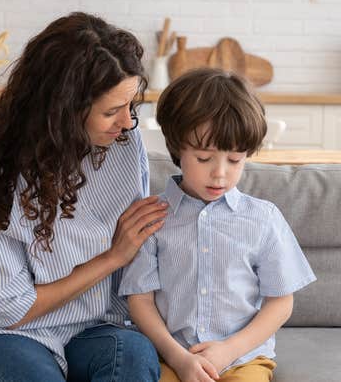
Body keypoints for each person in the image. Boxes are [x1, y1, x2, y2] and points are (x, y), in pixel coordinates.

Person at [0, 12, 167, 382]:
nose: (126, 122)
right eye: (111, 111)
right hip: (4, 334)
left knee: (134, 356)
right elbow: (12, 310)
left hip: (93, 328)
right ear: (63, 110)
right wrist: (112, 258)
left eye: (130, 106)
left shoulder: (123, 144)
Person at [119, 68, 317, 382]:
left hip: (242, 360)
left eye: (235, 160)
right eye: (203, 158)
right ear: (176, 148)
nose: (220, 174)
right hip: (171, 357)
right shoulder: (152, 217)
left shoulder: (263, 218)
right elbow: (140, 301)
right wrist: (177, 357)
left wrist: (228, 350)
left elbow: (280, 303)